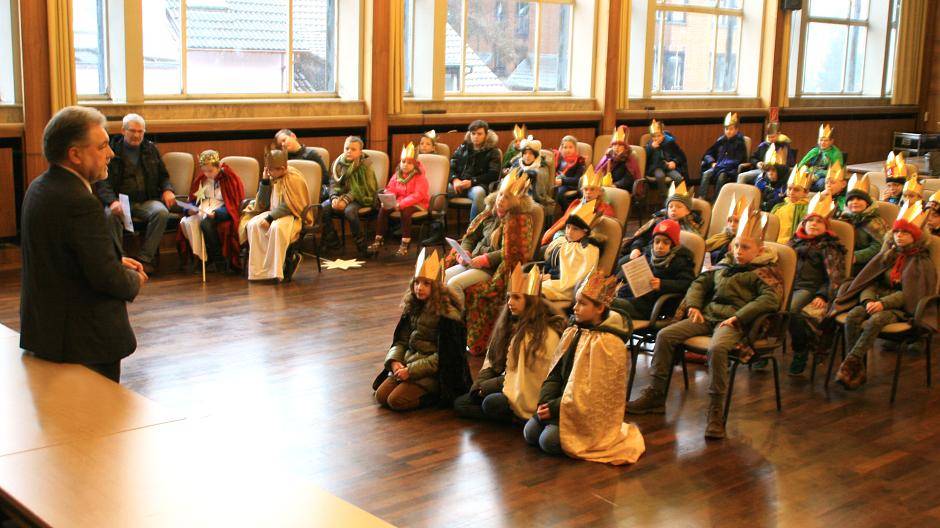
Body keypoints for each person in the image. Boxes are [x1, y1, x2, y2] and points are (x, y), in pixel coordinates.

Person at [628, 207, 783, 439]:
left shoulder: (763, 272)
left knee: (718, 348)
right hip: (709, 316)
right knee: (666, 335)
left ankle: (716, 411)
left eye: (746, 247)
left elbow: (770, 299)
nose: (739, 251)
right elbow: (700, 282)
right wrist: (694, 305)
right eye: (737, 246)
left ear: (759, 250)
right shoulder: (725, 265)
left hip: (735, 323)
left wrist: (739, 317)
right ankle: (656, 395)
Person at [20, 106, 147, 383]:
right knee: (99, 425)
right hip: (84, 341)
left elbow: (64, 257)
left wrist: (112, 260)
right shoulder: (80, 202)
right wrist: (133, 279)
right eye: (102, 146)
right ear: (75, 154)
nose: (110, 154)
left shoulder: (39, 187)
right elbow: (106, 278)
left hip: (49, 332)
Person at [525, 271, 646, 465]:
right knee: (530, 433)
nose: (574, 308)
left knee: (547, 441)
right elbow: (556, 371)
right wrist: (545, 401)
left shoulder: (609, 343)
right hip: (561, 403)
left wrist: (554, 408)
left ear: (599, 308)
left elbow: (592, 394)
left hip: (584, 417)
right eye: (576, 301)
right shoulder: (574, 330)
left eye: (582, 303)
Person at [831, 201, 938, 390]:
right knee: (853, 316)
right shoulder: (888, 254)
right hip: (876, 299)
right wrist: (869, 300)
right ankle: (856, 368)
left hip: (901, 308)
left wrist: (883, 304)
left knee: (876, 320)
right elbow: (869, 280)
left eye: (905, 233)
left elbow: (911, 294)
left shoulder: (921, 261)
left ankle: (850, 365)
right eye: (897, 232)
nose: (900, 236)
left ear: (916, 236)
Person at [453, 264, 565, 422]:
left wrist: (487, 387)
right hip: (505, 383)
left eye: (516, 298)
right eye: (508, 297)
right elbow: (492, 362)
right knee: (461, 403)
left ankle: (515, 416)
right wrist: (480, 384)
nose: (510, 303)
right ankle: (507, 414)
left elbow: (527, 379)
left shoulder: (543, 334)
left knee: (490, 403)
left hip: (523, 392)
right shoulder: (507, 323)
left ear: (531, 301)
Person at [445, 170, 536, 355]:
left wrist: (486, 259)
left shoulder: (519, 221)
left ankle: (457, 330)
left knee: (454, 284)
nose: (501, 199)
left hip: (491, 269)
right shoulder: (490, 213)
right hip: (472, 260)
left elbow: (513, 253)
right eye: (500, 194)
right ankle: (443, 325)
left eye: (507, 197)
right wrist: (465, 251)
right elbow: (472, 236)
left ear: (516, 201)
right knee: (444, 276)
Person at [374, 249, 470, 411]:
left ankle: (436, 396)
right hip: (409, 362)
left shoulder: (448, 316)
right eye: (417, 282)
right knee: (381, 396)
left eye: (426, 283)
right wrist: (395, 362)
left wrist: (411, 371)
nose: (419, 288)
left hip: (432, 372)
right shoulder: (413, 306)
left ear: (437, 286)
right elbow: (401, 341)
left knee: (395, 401)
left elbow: (445, 357)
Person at [95, 113, 174, 274]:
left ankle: (145, 259)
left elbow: (163, 176)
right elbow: (102, 182)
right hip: (119, 201)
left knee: (161, 212)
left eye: (141, 131)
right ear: (123, 131)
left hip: (146, 200)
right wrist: (112, 201)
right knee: (109, 215)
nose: (137, 135)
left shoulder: (150, 149)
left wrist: (167, 190)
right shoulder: (112, 150)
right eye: (133, 131)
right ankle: (120, 261)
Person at [786, 193, 846, 375]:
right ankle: (760, 352)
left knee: (790, 310)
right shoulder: (794, 242)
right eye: (810, 221)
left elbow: (835, 276)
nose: (813, 224)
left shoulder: (830, 247)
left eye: (818, 222)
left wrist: (823, 294)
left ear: (826, 226)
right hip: (789, 285)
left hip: (808, 287)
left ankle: (800, 350)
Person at [239, 147, 310, 281]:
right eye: (268, 169)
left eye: (272, 170)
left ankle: (276, 271)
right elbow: (263, 204)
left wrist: (270, 218)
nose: (270, 173)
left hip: (290, 215)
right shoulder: (270, 177)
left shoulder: (294, 178)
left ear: (283, 168)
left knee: (276, 228)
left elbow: (291, 205)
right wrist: (265, 182)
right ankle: (259, 272)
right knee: (253, 225)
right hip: (271, 212)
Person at [611, 219, 695, 322]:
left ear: (673, 245)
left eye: (666, 242)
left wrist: (662, 284)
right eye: (657, 241)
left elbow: (687, 283)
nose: (660, 246)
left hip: (650, 306)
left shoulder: (681, 261)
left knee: (606, 304)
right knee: (600, 299)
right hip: (631, 296)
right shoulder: (648, 254)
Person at [177, 150, 246, 273]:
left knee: (205, 224)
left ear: (218, 166)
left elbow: (234, 205)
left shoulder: (229, 179)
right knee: (186, 222)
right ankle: (200, 257)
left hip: (220, 210)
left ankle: (218, 259)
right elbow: (193, 200)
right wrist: (189, 210)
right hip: (203, 210)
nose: (207, 174)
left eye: (210, 171)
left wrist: (217, 214)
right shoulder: (201, 180)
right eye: (204, 171)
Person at [320, 136, 378, 258]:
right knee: (324, 207)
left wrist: (346, 200)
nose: (349, 151)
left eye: (353, 149)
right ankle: (333, 242)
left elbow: (363, 188)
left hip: (361, 197)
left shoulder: (365, 165)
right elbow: (333, 183)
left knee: (349, 211)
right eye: (347, 148)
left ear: (360, 152)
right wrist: (334, 197)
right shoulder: (338, 163)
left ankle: (362, 247)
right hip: (341, 195)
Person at [369, 142, 429, 257]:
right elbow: (391, 188)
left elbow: (418, 195)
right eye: (403, 162)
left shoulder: (420, 177)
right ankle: (378, 239)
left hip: (418, 203)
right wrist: (387, 199)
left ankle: (405, 243)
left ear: (415, 165)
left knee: (405, 212)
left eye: (409, 163)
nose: (405, 165)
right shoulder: (397, 175)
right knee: (383, 209)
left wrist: (401, 204)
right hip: (399, 202)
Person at [622, 180, 702, 263]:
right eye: (670, 207)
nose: (673, 209)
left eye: (678, 207)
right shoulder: (659, 221)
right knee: (622, 263)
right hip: (646, 253)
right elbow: (642, 238)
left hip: (667, 262)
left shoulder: (691, 229)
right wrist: (636, 248)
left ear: (688, 211)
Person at [541, 200, 603, 302]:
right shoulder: (566, 244)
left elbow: (577, 277)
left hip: (566, 288)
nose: (569, 232)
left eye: (575, 229)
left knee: (534, 291)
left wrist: (551, 276)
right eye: (568, 227)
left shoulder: (588, 250)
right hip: (552, 279)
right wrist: (543, 273)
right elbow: (553, 263)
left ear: (585, 231)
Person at [541, 165, 615, 245]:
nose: (588, 192)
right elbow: (563, 222)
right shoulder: (576, 204)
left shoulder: (605, 208)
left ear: (600, 192)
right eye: (585, 189)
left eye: (592, 189)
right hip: (565, 235)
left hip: (584, 242)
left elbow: (604, 232)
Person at [449, 120, 501, 221]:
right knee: (440, 191)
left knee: (478, 193)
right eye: (473, 134)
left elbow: (493, 174)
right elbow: (451, 166)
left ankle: (473, 229)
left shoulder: (493, 151)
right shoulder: (463, 147)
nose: (476, 136)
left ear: (486, 135)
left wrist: (472, 182)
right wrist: (455, 180)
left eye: (479, 134)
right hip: (458, 184)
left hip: (477, 185)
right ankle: (437, 227)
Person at [839, 174, 888, 275]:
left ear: (867, 203)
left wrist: (856, 256)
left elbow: (880, 246)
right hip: (844, 259)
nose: (855, 202)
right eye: (851, 200)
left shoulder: (875, 221)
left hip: (866, 264)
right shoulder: (843, 219)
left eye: (859, 199)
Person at [698, 112, 747, 200]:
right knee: (706, 174)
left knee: (722, 177)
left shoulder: (740, 143)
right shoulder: (721, 140)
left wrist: (722, 166)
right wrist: (712, 162)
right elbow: (708, 153)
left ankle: (717, 200)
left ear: (736, 130)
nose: (728, 131)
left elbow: (737, 160)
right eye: (727, 129)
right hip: (717, 167)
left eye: (731, 129)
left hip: (730, 170)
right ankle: (701, 198)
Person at [274, 128, 329, 198]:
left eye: (284, 140)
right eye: (280, 145)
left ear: (293, 136)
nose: (283, 144)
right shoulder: (284, 159)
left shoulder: (311, 154)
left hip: (311, 194)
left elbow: (325, 177)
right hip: (290, 194)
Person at [506, 136, 553, 207]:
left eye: (531, 153)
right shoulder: (517, 164)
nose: (527, 156)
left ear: (535, 156)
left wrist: (533, 176)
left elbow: (542, 184)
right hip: (514, 195)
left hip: (533, 197)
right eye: (525, 153)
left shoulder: (541, 166)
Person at [595, 125, 641, 195]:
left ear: (625, 147)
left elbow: (628, 179)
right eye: (614, 145)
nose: (616, 147)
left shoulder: (629, 158)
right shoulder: (608, 156)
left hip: (621, 187)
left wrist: (615, 185)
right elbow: (599, 171)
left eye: (619, 145)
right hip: (606, 185)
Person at [797, 123, 843, 192]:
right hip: (810, 173)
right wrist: (807, 172)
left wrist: (819, 174)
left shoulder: (836, 154)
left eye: (826, 140)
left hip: (824, 177)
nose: (823, 143)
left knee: (821, 184)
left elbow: (836, 172)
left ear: (831, 141)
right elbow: (802, 164)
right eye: (821, 140)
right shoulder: (815, 151)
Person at [771, 166, 812, 244]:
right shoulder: (778, 206)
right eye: (789, 189)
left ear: (806, 193)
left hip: (789, 244)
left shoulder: (807, 209)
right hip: (772, 242)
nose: (791, 192)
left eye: (796, 190)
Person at [705, 194, 750, 266]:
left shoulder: (745, 243)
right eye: (730, 221)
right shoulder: (720, 236)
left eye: (737, 221)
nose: (732, 224)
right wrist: (706, 265)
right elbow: (704, 250)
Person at [644, 119, 687, 190]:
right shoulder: (650, 144)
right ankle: (665, 196)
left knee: (678, 178)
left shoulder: (670, 142)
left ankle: (675, 196)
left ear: (663, 134)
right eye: (654, 137)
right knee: (660, 177)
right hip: (657, 167)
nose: (656, 138)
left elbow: (680, 155)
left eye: (659, 136)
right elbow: (645, 157)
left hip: (669, 168)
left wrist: (674, 162)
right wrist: (651, 148)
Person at [552, 135, 588, 210]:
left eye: (570, 147)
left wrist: (562, 181)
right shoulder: (559, 158)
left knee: (559, 194)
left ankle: (568, 213)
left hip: (570, 184)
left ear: (575, 148)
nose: (567, 150)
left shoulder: (580, 161)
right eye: (565, 147)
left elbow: (578, 180)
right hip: (556, 181)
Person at [755, 145, 788, 211]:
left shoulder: (785, 185)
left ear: (780, 171)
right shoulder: (761, 180)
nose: (770, 173)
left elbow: (778, 201)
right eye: (768, 170)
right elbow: (755, 195)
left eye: (773, 170)